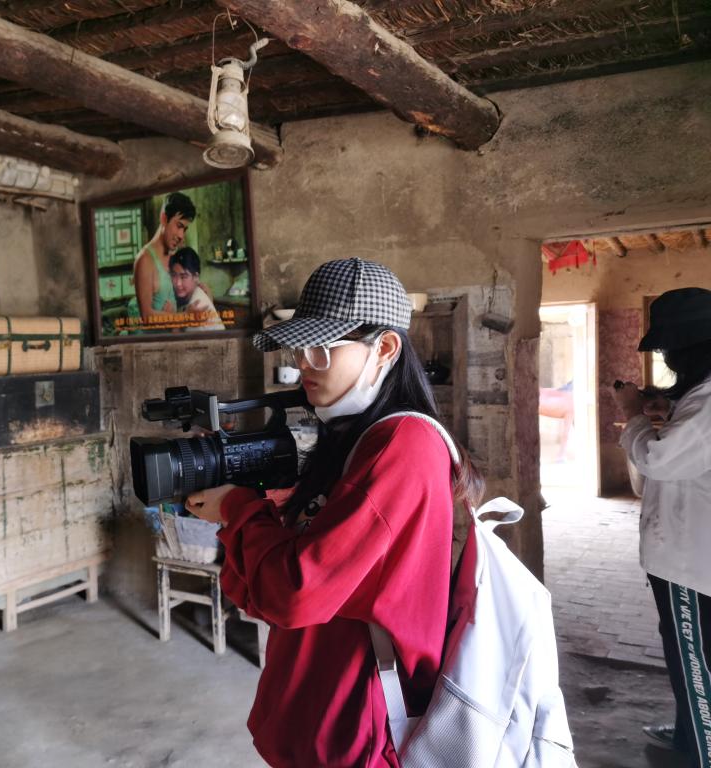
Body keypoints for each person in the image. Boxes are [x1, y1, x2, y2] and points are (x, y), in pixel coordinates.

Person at [185, 258, 483, 767]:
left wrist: (238, 509)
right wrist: (245, 510)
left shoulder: (402, 446)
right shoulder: (350, 439)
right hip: (315, 715)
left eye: (321, 349)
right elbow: (264, 591)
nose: (303, 364)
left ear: (384, 349)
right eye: (299, 349)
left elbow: (295, 593)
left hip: (356, 730)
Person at [613, 287, 711, 767]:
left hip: (691, 563)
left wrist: (632, 415)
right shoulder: (700, 397)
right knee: (690, 657)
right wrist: (664, 414)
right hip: (690, 556)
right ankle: (691, 729)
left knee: (694, 660)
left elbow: (659, 459)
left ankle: (702, 747)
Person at [131, 192, 195, 331]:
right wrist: (184, 317)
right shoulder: (145, 260)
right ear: (164, 218)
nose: (181, 235)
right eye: (179, 225)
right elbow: (147, 317)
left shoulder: (175, 256)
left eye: (184, 229)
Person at [169, 247, 225, 331]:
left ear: (196, 277)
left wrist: (173, 323)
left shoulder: (197, 307)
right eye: (174, 275)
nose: (177, 283)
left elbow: (184, 339)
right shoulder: (193, 295)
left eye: (183, 277)